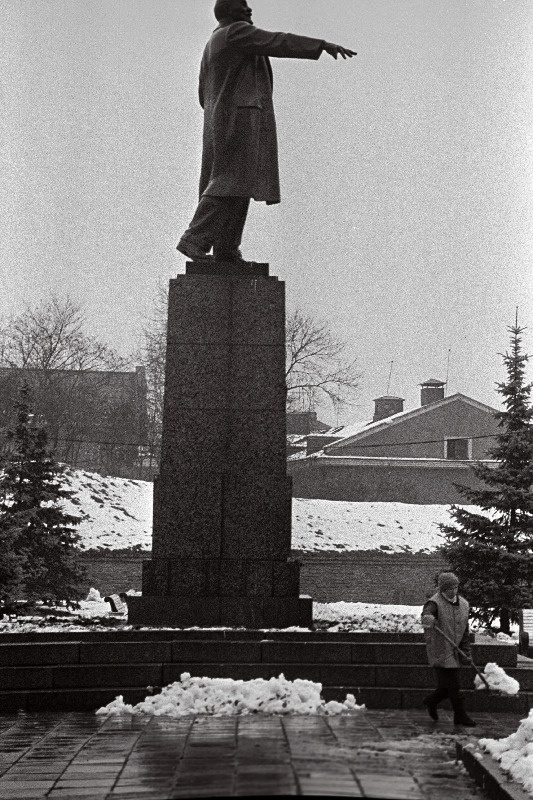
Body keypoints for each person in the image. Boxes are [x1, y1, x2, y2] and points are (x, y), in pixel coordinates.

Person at [177, 0, 356, 265]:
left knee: (239, 183)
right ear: (228, 11)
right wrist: (320, 45)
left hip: (222, 121)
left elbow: (203, 92)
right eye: (242, 6)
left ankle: (226, 248)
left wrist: (220, 114)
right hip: (239, 120)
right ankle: (194, 239)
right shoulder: (234, 32)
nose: (249, 10)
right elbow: (278, 41)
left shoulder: (212, 43)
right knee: (229, 181)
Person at [421, 571, 476, 727]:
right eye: (450, 588)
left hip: (455, 650)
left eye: (456, 587)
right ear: (442, 589)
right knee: (454, 686)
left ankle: (430, 701)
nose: (453, 591)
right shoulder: (434, 603)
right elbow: (427, 614)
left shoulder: (464, 604)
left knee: (446, 688)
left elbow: (465, 631)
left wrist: (466, 652)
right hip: (440, 650)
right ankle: (460, 716)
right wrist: (428, 618)